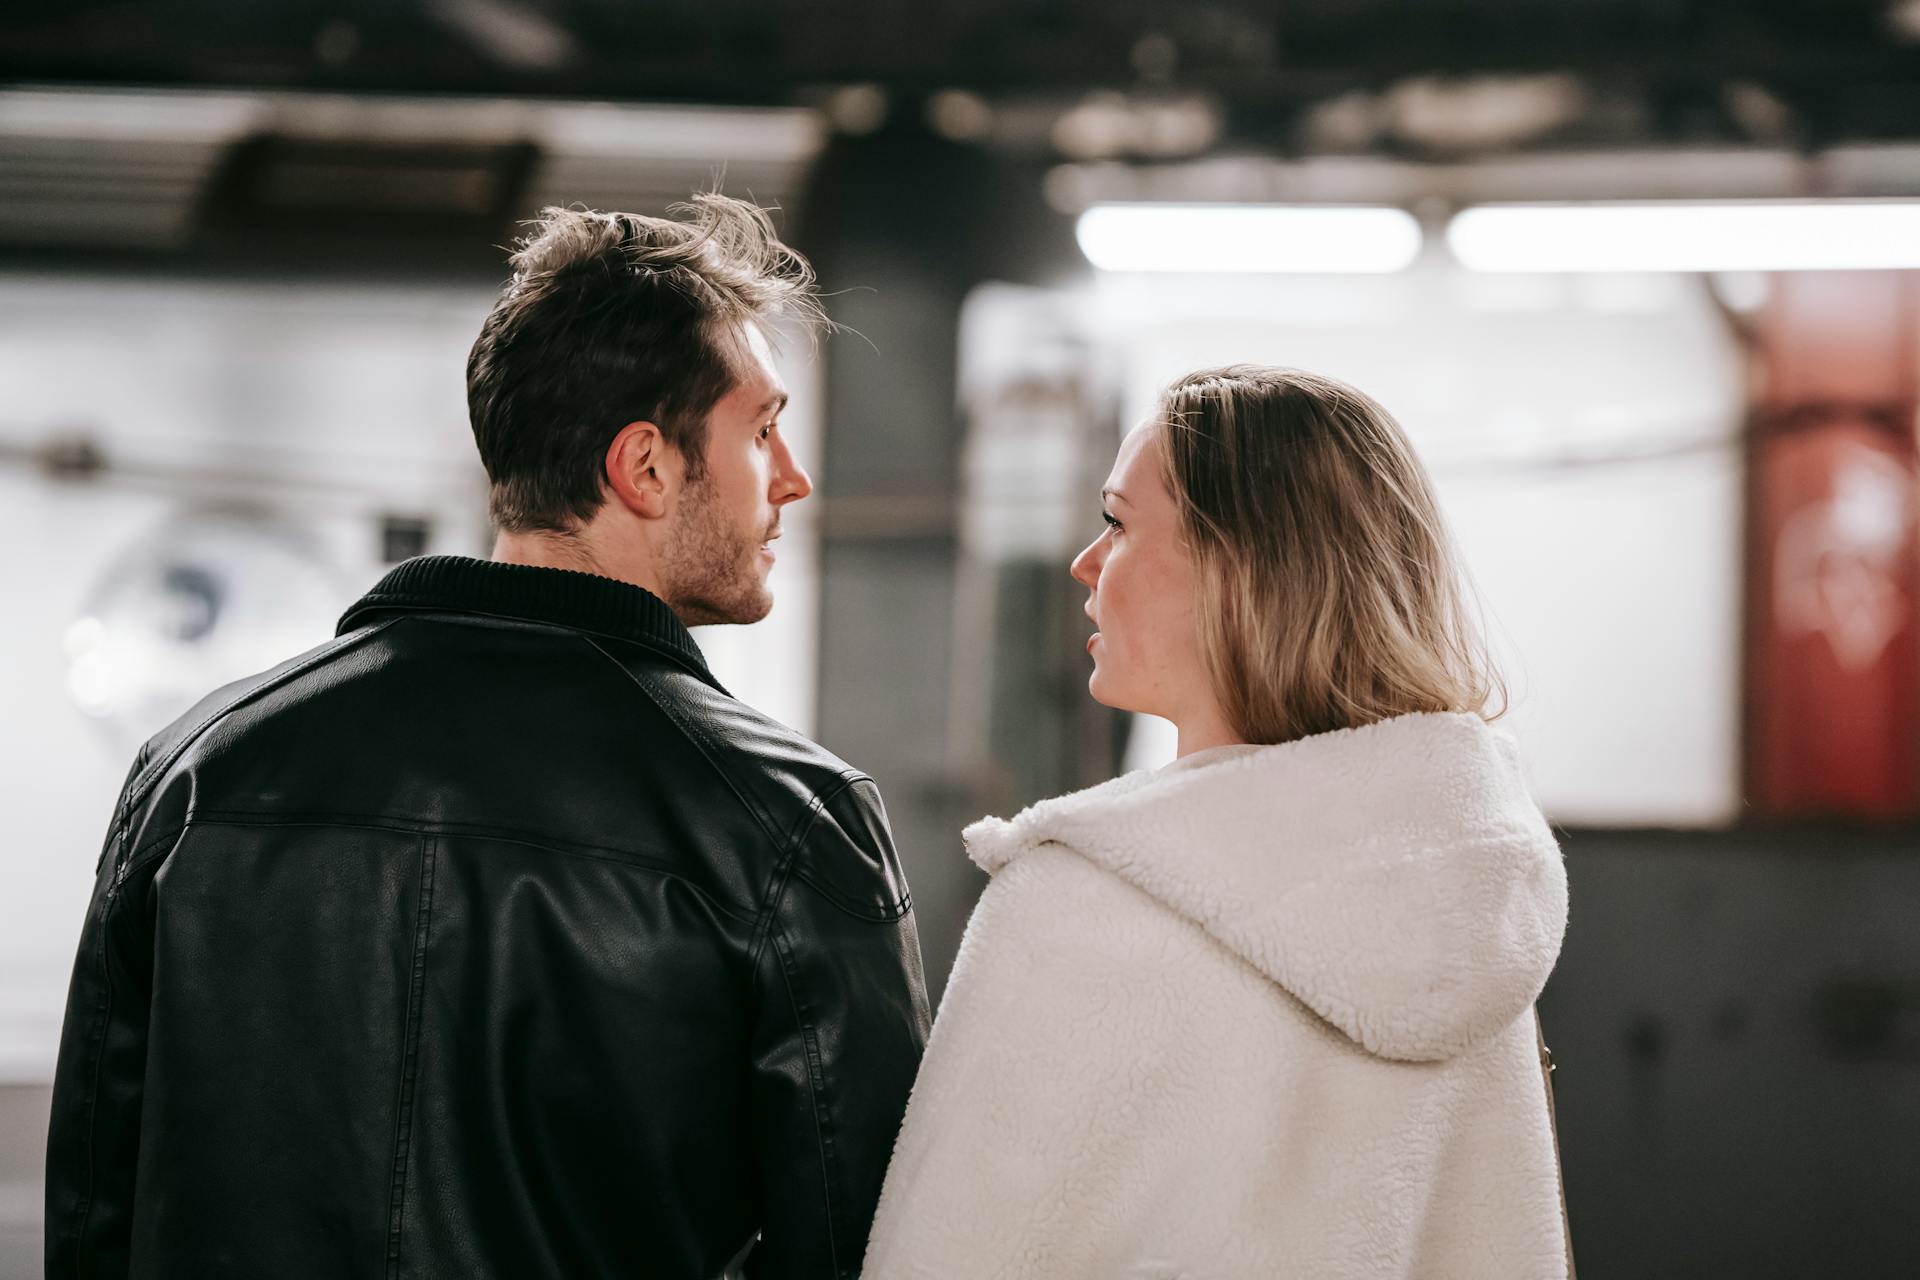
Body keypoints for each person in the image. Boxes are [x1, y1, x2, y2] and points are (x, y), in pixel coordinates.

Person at [45, 196, 930, 1279]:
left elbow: (97, 1210)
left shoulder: (196, 771)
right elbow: (867, 1249)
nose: (790, 475)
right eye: (759, 429)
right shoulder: (787, 821)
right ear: (644, 466)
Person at [863, 365, 1571, 1279]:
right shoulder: (1467, 913)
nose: (1085, 561)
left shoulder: (1075, 909)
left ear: (1238, 569)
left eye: (1118, 524)